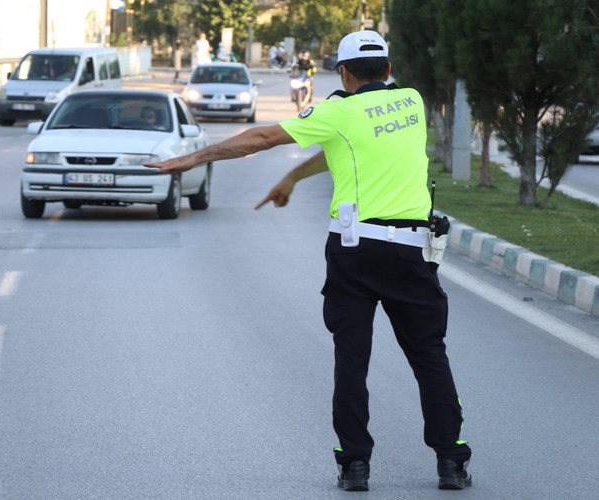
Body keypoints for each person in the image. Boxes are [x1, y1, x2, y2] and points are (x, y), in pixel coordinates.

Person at [143, 30, 472, 493]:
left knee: (351, 360)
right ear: (389, 71)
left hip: (355, 254)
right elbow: (347, 145)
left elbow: (262, 137)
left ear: (342, 71)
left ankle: (355, 464)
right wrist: (295, 175)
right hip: (410, 252)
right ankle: (451, 462)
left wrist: (194, 157)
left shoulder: (337, 111)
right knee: (429, 356)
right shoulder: (412, 103)